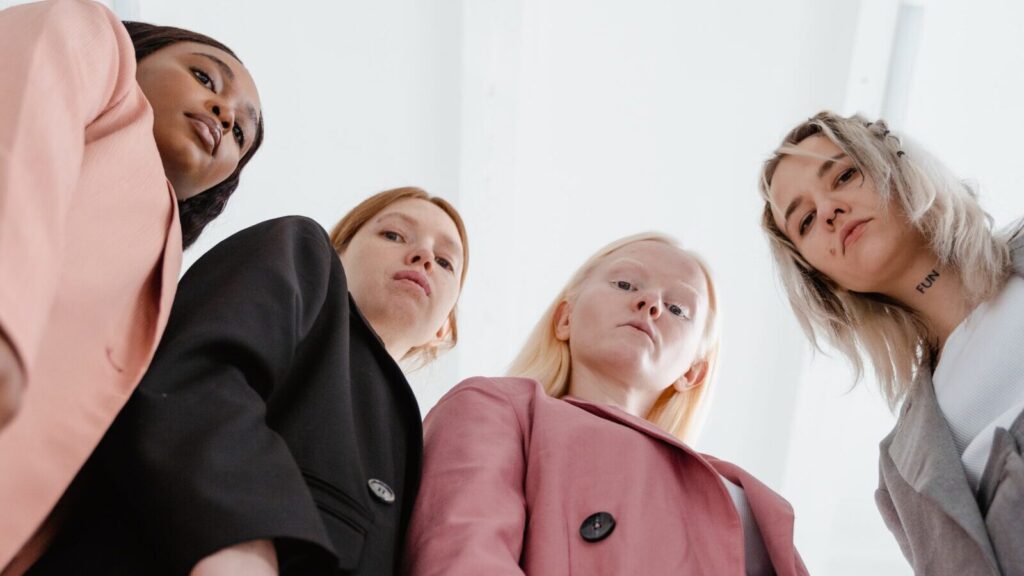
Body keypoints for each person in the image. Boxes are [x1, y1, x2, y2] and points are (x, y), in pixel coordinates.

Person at [28, 187, 469, 576]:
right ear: (339, 249)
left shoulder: (416, 441)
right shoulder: (304, 254)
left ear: (443, 330)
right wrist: (239, 543)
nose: (423, 256)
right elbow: (198, 375)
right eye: (393, 235)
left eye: (446, 261)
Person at [0, 0, 263, 571]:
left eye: (241, 131)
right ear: (140, 51)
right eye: (204, 76)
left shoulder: (168, 269)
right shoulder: (90, 35)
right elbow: (18, 135)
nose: (224, 113)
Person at [403, 233, 807, 575]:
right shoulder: (497, 408)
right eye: (626, 285)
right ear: (565, 318)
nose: (650, 304)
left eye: (678, 308)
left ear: (693, 372)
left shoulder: (752, 500)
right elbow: (466, 556)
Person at [759, 110, 1024, 575]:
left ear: (898, 166)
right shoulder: (903, 469)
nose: (827, 211)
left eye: (844, 174)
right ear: (824, 279)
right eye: (803, 221)